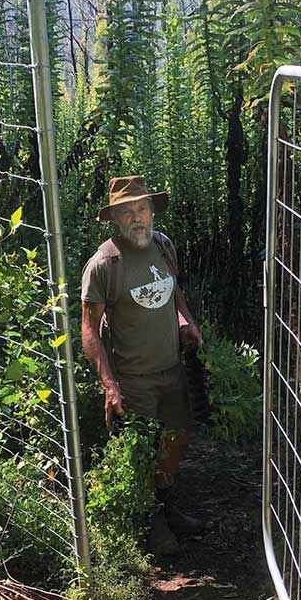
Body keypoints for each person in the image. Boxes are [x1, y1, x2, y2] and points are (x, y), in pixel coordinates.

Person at [81, 175, 204, 556]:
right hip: (132, 378)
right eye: (127, 212)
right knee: (139, 451)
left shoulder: (164, 246)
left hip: (171, 368)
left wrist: (186, 320)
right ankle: (150, 525)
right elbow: (88, 329)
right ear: (114, 218)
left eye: (142, 209)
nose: (137, 218)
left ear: (152, 211)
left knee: (177, 438)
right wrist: (109, 386)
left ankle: (167, 507)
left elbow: (173, 292)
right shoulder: (104, 265)